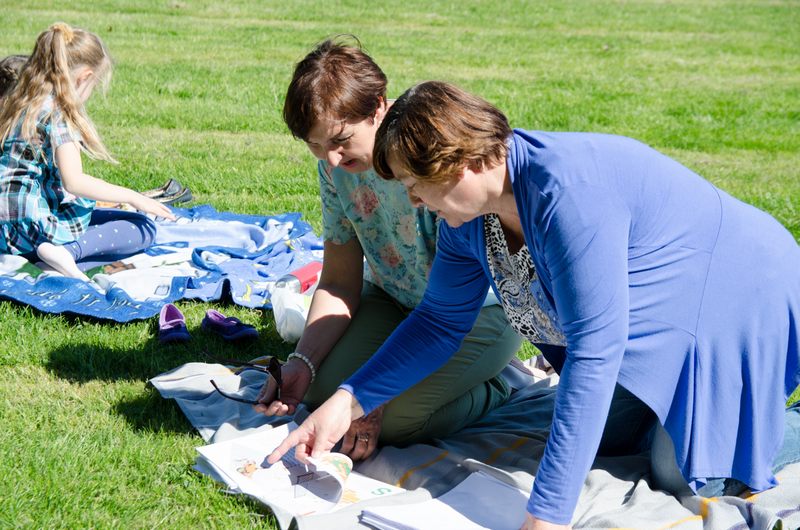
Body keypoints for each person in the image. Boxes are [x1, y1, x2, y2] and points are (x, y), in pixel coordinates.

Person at [269, 81, 800, 529]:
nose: (412, 201)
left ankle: (771, 421)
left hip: (737, 295)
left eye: (413, 185)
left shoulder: (567, 197)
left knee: (681, 476)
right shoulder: (467, 220)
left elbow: (594, 352)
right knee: (603, 441)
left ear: (458, 165)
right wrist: (347, 400)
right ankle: (679, 413)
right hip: (649, 316)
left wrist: (547, 515)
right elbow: (438, 322)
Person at [254, 39, 521, 460]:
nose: (332, 160)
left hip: (475, 314)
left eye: (341, 140)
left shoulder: (429, 150)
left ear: (378, 107)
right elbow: (339, 281)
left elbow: (447, 315)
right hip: (394, 299)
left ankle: (496, 388)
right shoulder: (335, 167)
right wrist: (301, 361)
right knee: (320, 393)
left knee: (392, 421)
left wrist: (373, 396)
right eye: (316, 146)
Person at [0, 23, 175, 281]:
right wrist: (135, 197)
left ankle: (49, 259)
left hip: (5, 233)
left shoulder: (15, 102)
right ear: (84, 77)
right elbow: (75, 182)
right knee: (141, 227)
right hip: (33, 229)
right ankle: (66, 253)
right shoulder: (57, 113)